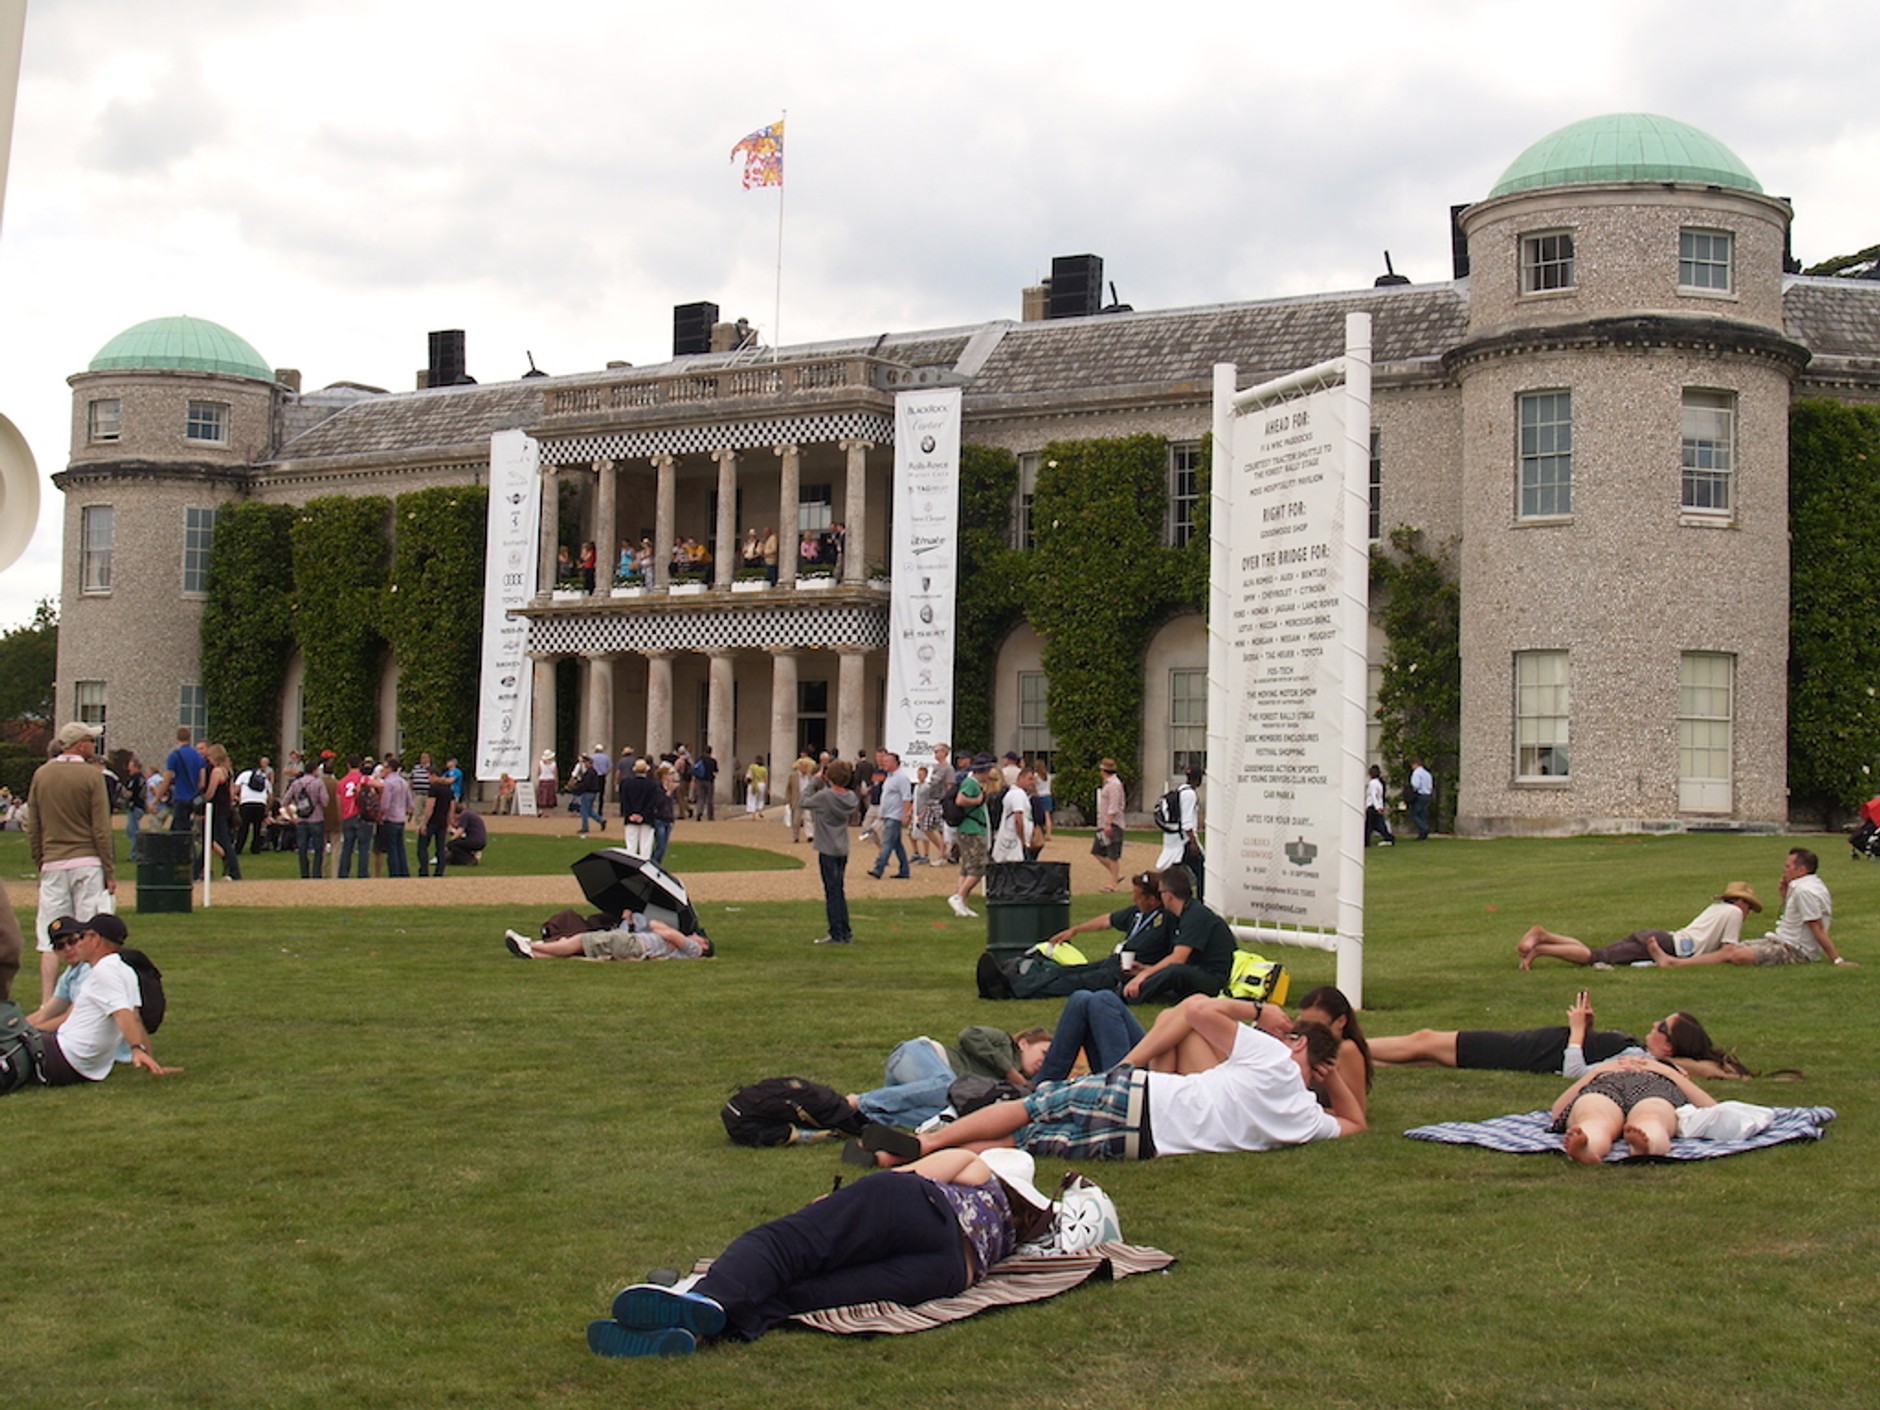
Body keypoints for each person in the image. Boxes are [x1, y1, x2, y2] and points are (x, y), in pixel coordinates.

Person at [588, 1147, 1056, 1356]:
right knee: (797, 1296)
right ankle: (696, 1335)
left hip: (922, 1208)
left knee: (785, 1247)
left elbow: (913, 1176)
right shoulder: (1010, 1231)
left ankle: (705, 1297)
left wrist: (842, 1200)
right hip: (949, 1271)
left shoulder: (979, 1169)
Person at [858, 995, 1362, 1165]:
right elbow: (1355, 1123)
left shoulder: (1271, 1058)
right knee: (1025, 1139)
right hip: (1141, 1143)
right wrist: (1332, 1075)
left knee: (1034, 1108)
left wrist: (1259, 1010)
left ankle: (929, 1144)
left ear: (1294, 1044)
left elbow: (1193, 1009)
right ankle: (905, 1159)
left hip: (1141, 1094)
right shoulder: (1300, 1120)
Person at [1369, 991, 1753, 1081]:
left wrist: (1577, 1031)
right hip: (1533, 1044)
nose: (1654, 1025)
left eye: (1661, 1027)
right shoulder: (1652, 1056)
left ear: (1667, 1044)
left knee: (1425, 1039)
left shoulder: (1645, 1062)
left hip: (1529, 1052)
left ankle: (1347, 1044)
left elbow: (1575, 1072)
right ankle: (1359, 1054)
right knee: (1426, 1054)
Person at [6, 914, 179, 1091]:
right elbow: (135, 1018)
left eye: (81, 937)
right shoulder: (125, 970)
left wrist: (136, 1048)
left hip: (67, 1055)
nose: (78, 944)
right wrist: (149, 1058)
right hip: (84, 1064)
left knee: (9, 1049)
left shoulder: (104, 971)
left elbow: (122, 1013)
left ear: (95, 939)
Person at [25, 722, 118, 998]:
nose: (94, 745)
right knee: (89, 933)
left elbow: (34, 824)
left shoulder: (41, 775)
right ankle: (86, 997)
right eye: (90, 740)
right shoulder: (92, 776)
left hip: (53, 862)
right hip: (87, 861)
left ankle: (46, 1001)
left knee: (49, 936)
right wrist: (109, 870)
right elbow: (101, 828)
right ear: (80, 745)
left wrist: (40, 861)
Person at [1649, 848, 1853, 967]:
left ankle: (1674, 962)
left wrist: (1837, 959)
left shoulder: (1804, 890)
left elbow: (1816, 927)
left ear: (1801, 870)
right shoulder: (1807, 886)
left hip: (1794, 951)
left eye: (1788, 866)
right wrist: (1784, 896)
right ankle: (1677, 960)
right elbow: (1798, 919)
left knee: (1733, 954)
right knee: (1731, 949)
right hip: (1781, 941)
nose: (1784, 870)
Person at [1518, 882, 1763, 969]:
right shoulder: (1733, 913)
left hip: (1661, 937)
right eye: (1749, 906)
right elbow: (1728, 950)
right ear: (1740, 902)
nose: (1748, 912)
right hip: (1669, 945)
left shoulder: (1718, 908)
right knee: (1594, 957)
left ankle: (1545, 935)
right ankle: (1541, 948)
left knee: (1599, 953)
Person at [851, 1025, 1053, 1127]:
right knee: (948, 1085)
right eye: (1044, 1052)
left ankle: (857, 1119)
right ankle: (858, 1102)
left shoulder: (1014, 1091)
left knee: (943, 1119)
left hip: (926, 1092)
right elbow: (969, 1035)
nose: (1043, 1061)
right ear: (1025, 1043)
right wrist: (1009, 1072)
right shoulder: (1004, 1042)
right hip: (917, 1056)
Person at [1549, 1053, 1717, 1163]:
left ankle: (1647, 1145)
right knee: (1594, 1115)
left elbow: (1713, 1109)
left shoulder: (1670, 1073)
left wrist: (1668, 1072)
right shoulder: (1603, 1072)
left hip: (1655, 1087)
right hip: (1607, 1084)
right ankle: (1588, 1148)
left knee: (1652, 1116)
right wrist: (1595, 1073)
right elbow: (1558, 1111)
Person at [1122, 866, 1234, 1004]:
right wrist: (1148, 969)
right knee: (1171, 972)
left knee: (1175, 971)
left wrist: (1145, 974)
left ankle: (1128, 995)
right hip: (1196, 970)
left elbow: (1179, 958)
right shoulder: (1185, 913)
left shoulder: (1196, 915)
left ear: (1168, 895)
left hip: (1213, 978)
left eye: (1160, 892)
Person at [802, 759, 861, 945]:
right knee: (839, 890)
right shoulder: (850, 797)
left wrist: (814, 780)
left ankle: (837, 932)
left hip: (827, 847)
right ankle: (845, 931)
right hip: (842, 847)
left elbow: (803, 801)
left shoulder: (825, 796)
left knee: (832, 892)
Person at [504, 911, 713, 960]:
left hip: (633, 944)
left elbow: (660, 928)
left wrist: (669, 931)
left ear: (703, 946)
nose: (693, 935)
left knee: (579, 940)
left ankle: (530, 944)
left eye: (698, 937)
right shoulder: (684, 949)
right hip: (633, 944)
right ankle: (532, 953)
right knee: (576, 948)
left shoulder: (693, 950)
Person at [948, 754, 998, 918]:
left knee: (966, 868)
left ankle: (962, 904)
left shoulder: (974, 782)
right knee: (978, 867)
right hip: (972, 830)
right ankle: (959, 896)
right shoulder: (971, 783)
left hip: (972, 829)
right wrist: (978, 800)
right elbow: (960, 800)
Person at [1153, 767, 1205, 900]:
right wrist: (1194, 843)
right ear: (1198, 778)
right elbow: (1187, 822)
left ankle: (1163, 896)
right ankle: (1199, 903)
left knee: (1173, 873)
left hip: (1174, 839)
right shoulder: (1190, 795)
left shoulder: (1180, 791)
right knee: (1202, 872)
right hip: (1184, 842)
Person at [867, 751, 913, 879]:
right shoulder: (890, 777)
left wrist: (905, 814)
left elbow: (906, 797)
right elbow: (886, 796)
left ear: (895, 763)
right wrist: (882, 813)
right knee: (897, 844)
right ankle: (905, 870)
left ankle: (879, 868)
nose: (884, 763)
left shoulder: (901, 778)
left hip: (895, 815)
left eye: (887, 761)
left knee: (887, 842)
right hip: (888, 814)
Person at [283, 763, 328, 879]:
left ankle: (304, 873)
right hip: (317, 818)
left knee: (302, 848)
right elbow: (325, 802)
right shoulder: (318, 783)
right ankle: (316, 873)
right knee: (318, 849)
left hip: (301, 819)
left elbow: (285, 801)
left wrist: (292, 817)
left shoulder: (296, 783)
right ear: (314, 771)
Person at [377, 754, 415, 878]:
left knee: (392, 848)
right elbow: (410, 801)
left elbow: (385, 803)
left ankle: (394, 872)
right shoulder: (403, 782)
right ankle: (404, 872)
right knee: (400, 847)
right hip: (400, 818)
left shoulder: (389, 783)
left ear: (390, 769)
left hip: (390, 818)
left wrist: (381, 815)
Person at [618, 758, 663, 860]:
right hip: (647, 818)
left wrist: (631, 814)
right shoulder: (652, 785)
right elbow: (652, 803)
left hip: (630, 818)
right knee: (646, 847)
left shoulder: (626, 783)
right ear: (646, 770)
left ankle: (630, 869)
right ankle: (644, 870)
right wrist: (642, 815)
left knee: (631, 847)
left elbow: (624, 801)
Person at [162, 727, 205, 833]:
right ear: (190, 738)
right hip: (193, 799)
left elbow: (166, 780)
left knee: (178, 830)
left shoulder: (174, 756)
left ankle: (183, 849)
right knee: (184, 827)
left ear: (177, 738)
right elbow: (202, 782)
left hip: (180, 797)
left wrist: (157, 798)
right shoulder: (198, 756)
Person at [1092, 757, 1126, 890]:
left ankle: (1113, 884)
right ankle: (1116, 874)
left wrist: (1108, 823)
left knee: (1112, 855)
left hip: (1113, 824)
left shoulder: (1114, 785)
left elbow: (1114, 806)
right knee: (1097, 851)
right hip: (1104, 823)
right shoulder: (1109, 784)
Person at [415, 766, 455, 876]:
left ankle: (424, 871)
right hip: (442, 821)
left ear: (433, 775)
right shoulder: (449, 789)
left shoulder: (433, 788)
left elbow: (430, 807)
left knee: (422, 847)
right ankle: (439, 872)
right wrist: (449, 823)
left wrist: (424, 823)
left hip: (432, 821)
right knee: (440, 848)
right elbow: (451, 808)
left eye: (428, 776)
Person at [234, 757, 272, 854]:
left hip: (246, 802)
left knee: (244, 827)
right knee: (257, 827)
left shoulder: (243, 775)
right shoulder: (263, 777)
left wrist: (236, 798)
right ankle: (255, 849)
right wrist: (267, 809)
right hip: (261, 803)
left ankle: (239, 848)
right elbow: (270, 795)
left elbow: (236, 789)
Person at [444, 801, 487, 867]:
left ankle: (469, 860)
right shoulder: (468, 814)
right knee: (458, 846)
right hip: (479, 840)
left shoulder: (465, 815)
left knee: (452, 845)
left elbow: (460, 830)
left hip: (475, 840)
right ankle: (456, 860)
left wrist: (450, 841)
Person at [1363, 764, 1394, 847]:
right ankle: (1389, 837)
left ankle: (1366, 842)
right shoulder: (1379, 783)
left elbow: (1374, 796)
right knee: (1377, 825)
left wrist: (1377, 807)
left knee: (1369, 826)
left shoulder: (1373, 783)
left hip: (1372, 806)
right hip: (1377, 806)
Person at [1407, 758, 1434, 840]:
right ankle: (1422, 834)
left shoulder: (1417, 773)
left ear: (1415, 764)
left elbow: (1415, 785)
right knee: (1421, 814)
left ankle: (1424, 828)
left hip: (1420, 795)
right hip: (1427, 795)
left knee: (1414, 814)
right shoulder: (1427, 773)